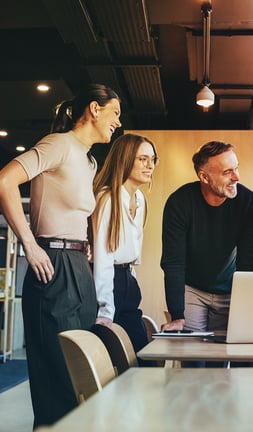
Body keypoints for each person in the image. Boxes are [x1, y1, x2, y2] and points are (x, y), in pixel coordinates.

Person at [0, 83, 121, 428]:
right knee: (59, 383)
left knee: (82, 378)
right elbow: (5, 181)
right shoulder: (59, 144)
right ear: (94, 109)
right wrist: (29, 244)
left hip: (79, 268)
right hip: (53, 264)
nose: (117, 122)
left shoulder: (89, 160)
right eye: (114, 112)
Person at [160, 141, 253, 334]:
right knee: (194, 357)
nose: (236, 177)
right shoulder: (179, 203)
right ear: (204, 177)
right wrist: (177, 315)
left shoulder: (249, 203)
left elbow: (248, 261)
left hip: (232, 288)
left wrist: (249, 309)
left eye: (236, 168)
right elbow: (173, 262)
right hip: (193, 289)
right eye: (227, 172)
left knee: (227, 354)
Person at [91, 133, 158, 364]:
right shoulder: (108, 198)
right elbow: (103, 258)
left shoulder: (139, 199)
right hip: (109, 283)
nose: (150, 166)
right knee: (115, 361)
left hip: (127, 280)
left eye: (152, 159)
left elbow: (132, 253)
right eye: (142, 159)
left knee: (141, 356)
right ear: (126, 159)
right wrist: (105, 309)